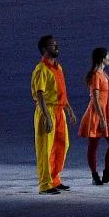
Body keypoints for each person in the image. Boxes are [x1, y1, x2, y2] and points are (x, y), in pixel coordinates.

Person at [32, 35, 77, 194]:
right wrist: (46, 116)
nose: (56, 47)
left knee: (61, 146)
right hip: (48, 111)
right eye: (52, 45)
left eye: (56, 45)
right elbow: (40, 94)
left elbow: (61, 92)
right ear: (44, 49)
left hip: (59, 111)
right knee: (45, 148)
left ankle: (55, 179)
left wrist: (68, 109)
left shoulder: (58, 67)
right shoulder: (41, 69)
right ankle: (45, 184)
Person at [80, 47, 109, 185]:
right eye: (108, 56)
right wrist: (102, 118)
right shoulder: (95, 75)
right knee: (94, 145)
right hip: (96, 113)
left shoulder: (104, 74)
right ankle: (94, 175)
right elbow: (95, 98)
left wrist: (106, 115)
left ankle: (107, 172)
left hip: (106, 112)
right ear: (102, 58)